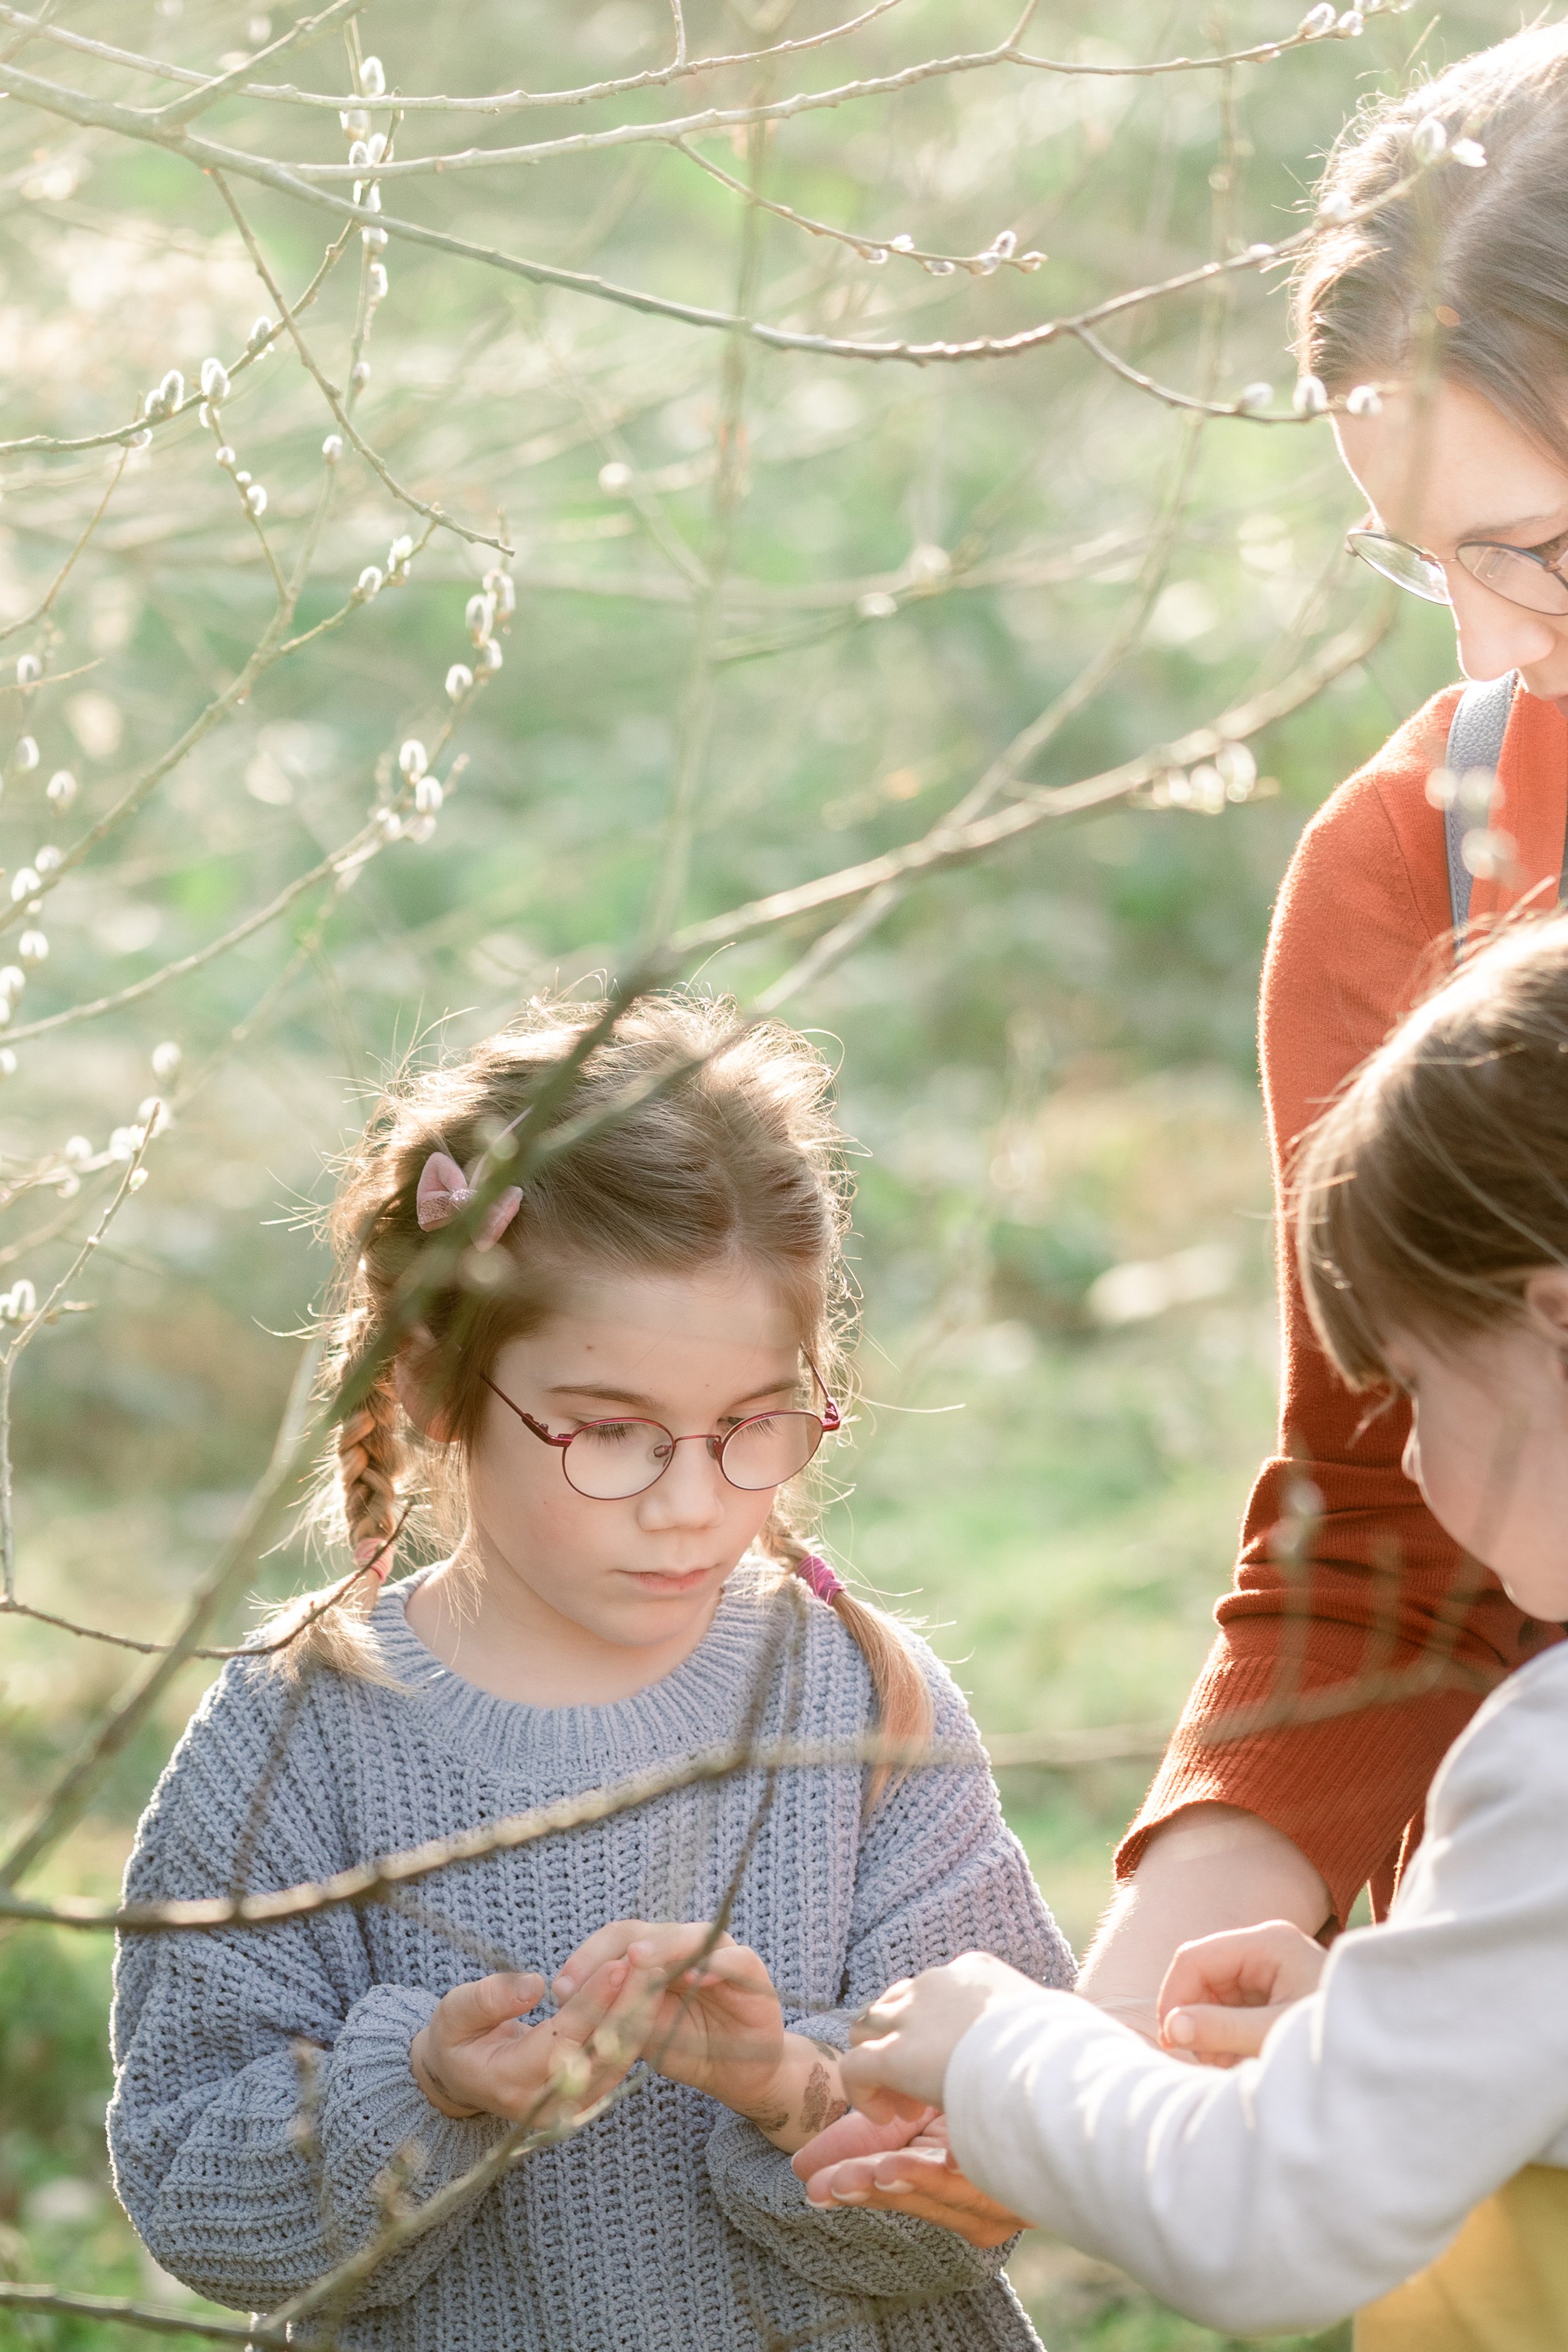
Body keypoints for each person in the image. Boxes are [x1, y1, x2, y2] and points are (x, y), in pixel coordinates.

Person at [793, 18, 1568, 2240]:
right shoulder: (1419, 868)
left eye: (1553, 554)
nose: (1493, 649)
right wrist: (1079, 2073)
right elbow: (1384, 1526)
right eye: (1426, 557)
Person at [107, 997, 1073, 2352]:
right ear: (438, 1386)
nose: (688, 1502)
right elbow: (196, 2196)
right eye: (611, 1434)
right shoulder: (297, 1736)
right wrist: (422, 2086)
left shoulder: (857, 1705)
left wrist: (780, 2083)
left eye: (751, 1426)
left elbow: (1003, 2167)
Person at [814, 912, 1568, 2347]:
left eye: (1412, 1385)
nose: (1401, 1463)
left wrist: (1002, 2049)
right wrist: (1387, 2030)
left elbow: (1266, 2226)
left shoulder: (1547, 1755)